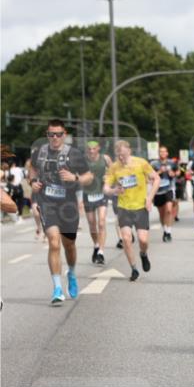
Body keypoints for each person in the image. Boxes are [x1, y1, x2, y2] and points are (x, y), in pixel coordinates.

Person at [29, 119, 93, 305]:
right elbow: (32, 169)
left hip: (68, 205)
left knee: (69, 245)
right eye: (51, 134)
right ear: (47, 135)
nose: (55, 137)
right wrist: (32, 182)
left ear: (64, 135)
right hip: (47, 203)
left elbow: (89, 177)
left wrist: (75, 177)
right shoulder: (39, 152)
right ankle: (57, 288)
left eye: (58, 134)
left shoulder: (74, 154)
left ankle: (71, 273)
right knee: (54, 242)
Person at [104, 140, 158, 281]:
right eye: (118, 155)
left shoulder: (141, 163)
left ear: (129, 151)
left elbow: (156, 179)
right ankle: (134, 269)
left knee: (143, 240)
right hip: (124, 207)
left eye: (123, 154)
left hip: (140, 207)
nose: (121, 157)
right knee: (126, 239)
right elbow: (106, 188)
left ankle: (143, 254)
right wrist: (114, 190)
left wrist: (149, 198)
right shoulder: (114, 167)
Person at [82, 141, 112, 265]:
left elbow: (114, 172)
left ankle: (101, 252)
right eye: (89, 149)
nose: (91, 151)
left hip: (101, 193)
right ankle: (96, 245)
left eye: (94, 148)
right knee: (92, 224)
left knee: (101, 222)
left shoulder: (105, 159)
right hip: (88, 194)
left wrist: (108, 178)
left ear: (98, 148)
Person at [150, 145, 177, 242]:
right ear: (158, 153)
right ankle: (165, 230)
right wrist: (159, 171)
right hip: (158, 191)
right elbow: (150, 176)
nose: (162, 153)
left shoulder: (171, 162)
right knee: (161, 214)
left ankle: (169, 232)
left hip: (168, 189)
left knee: (169, 210)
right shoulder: (154, 164)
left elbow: (178, 172)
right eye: (160, 151)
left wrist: (172, 173)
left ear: (167, 153)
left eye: (164, 151)